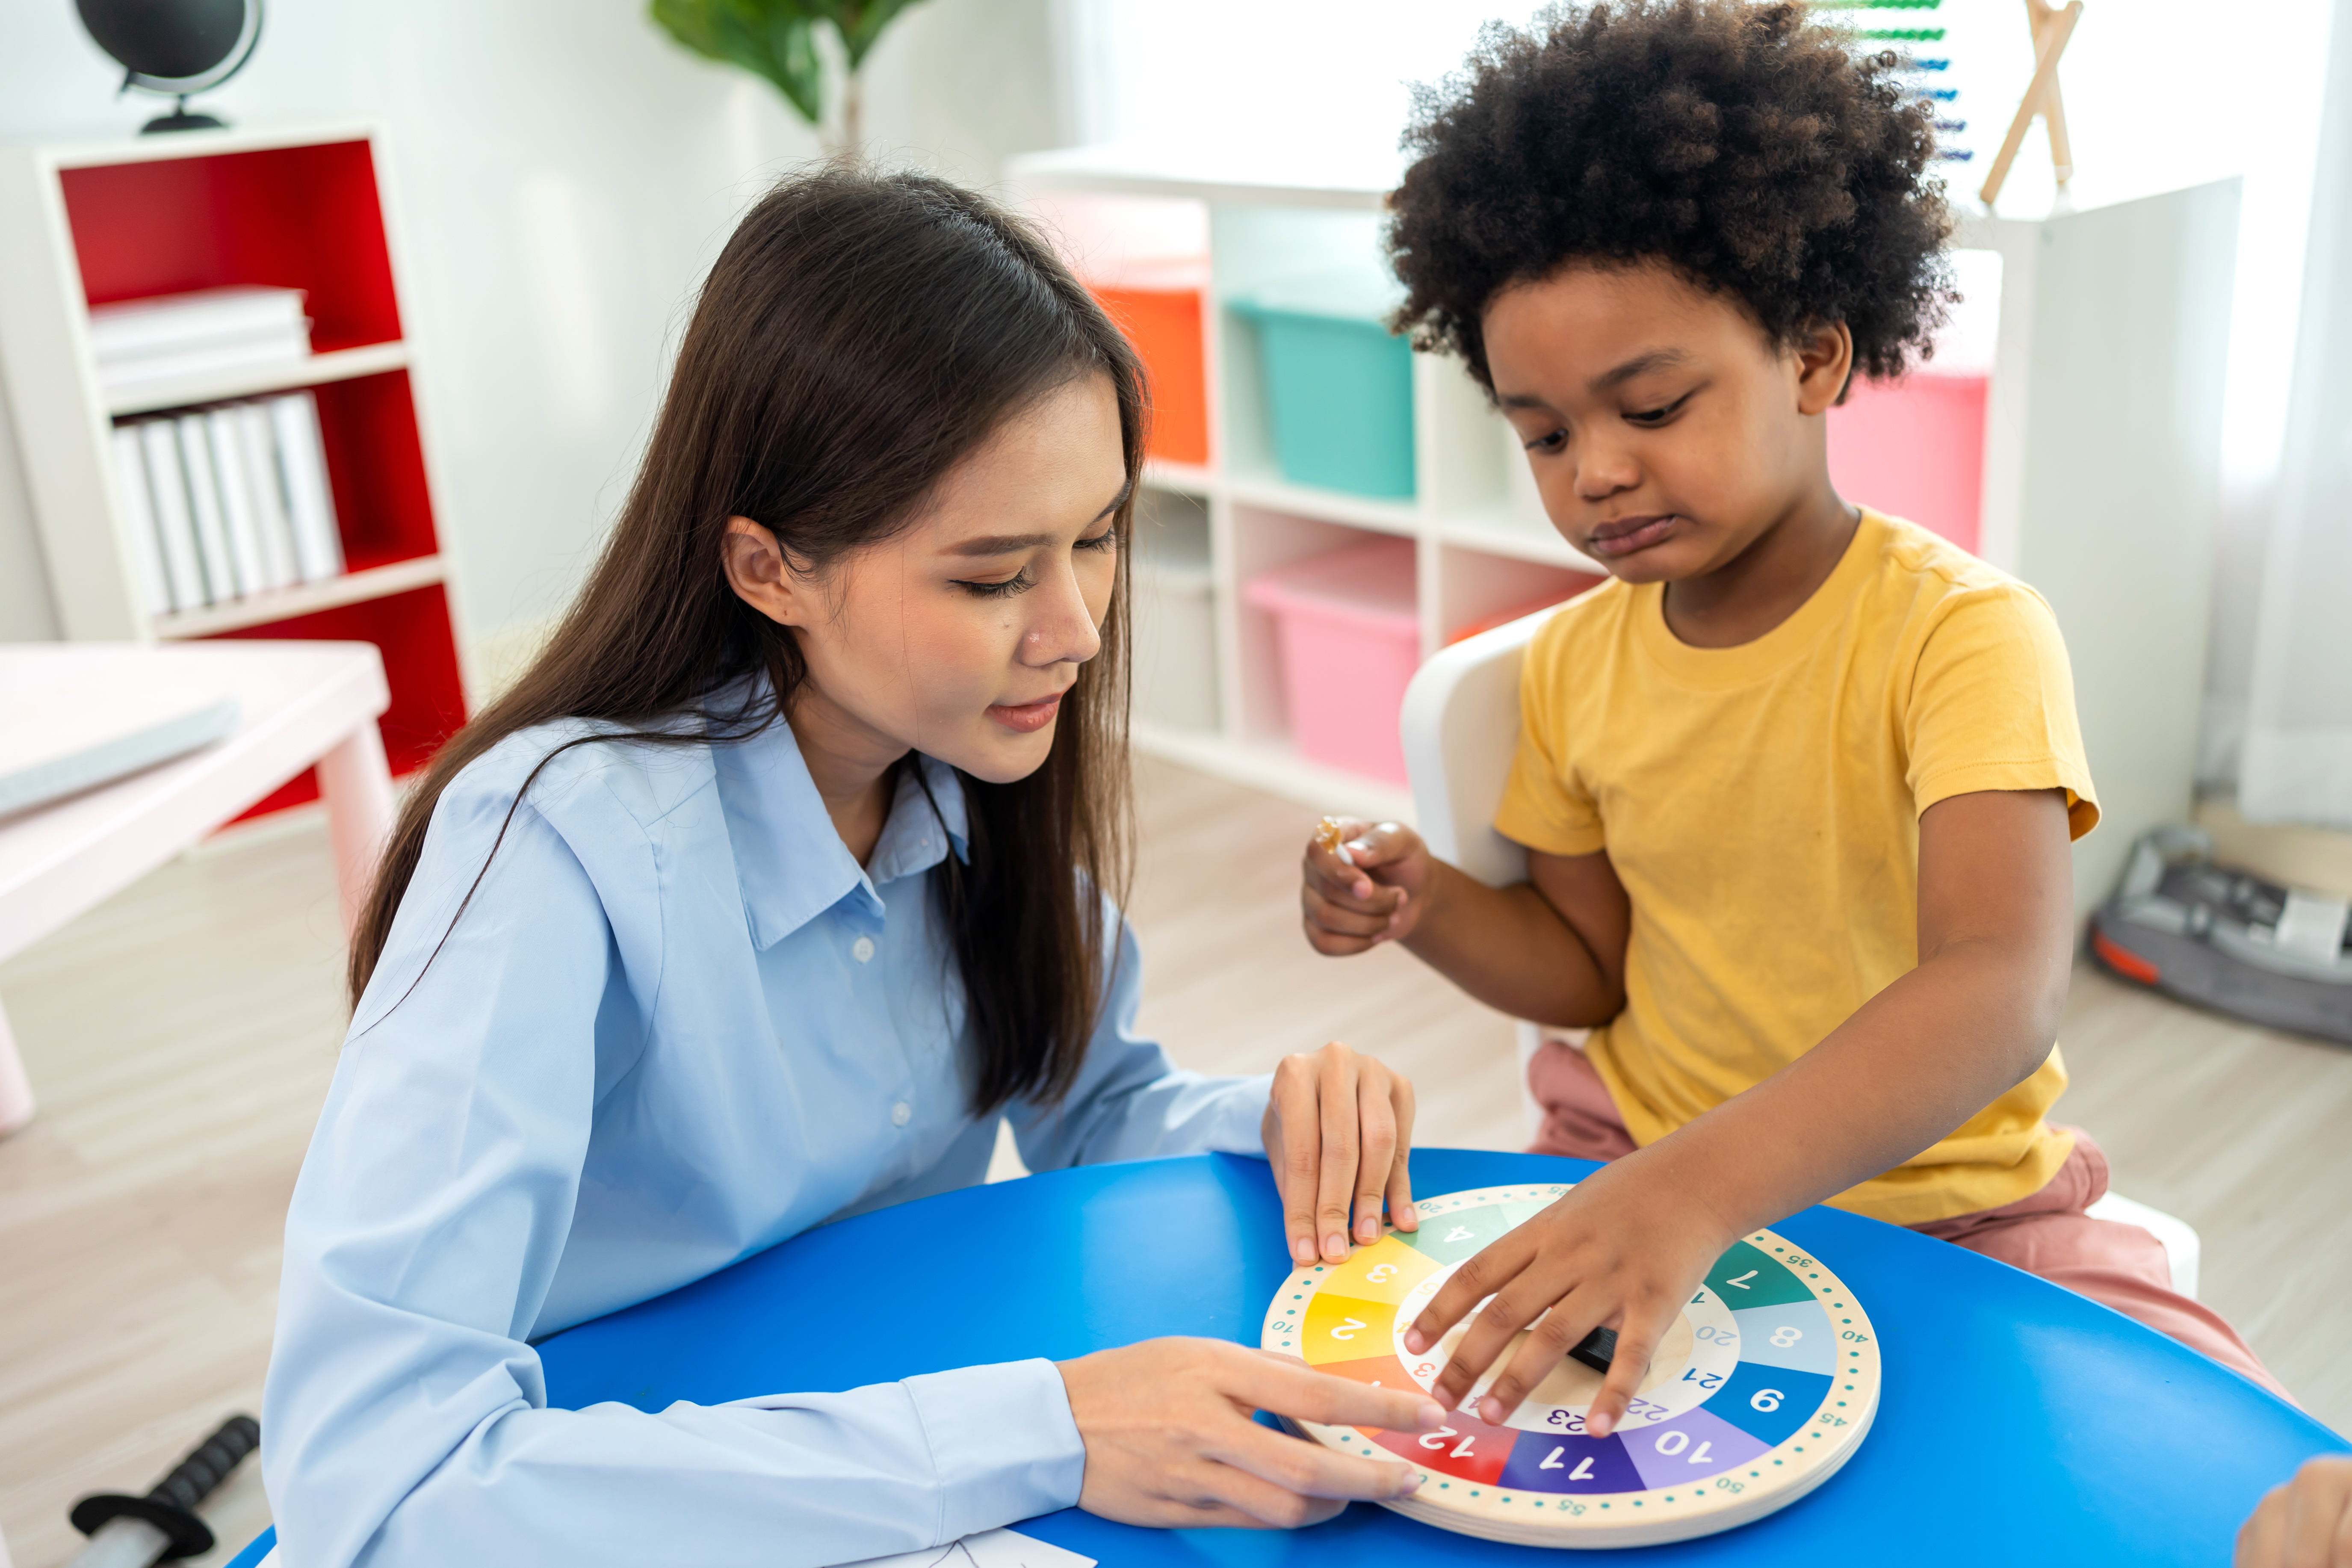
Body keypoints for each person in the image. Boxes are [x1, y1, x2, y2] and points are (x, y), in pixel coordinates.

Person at [263, 168, 1445, 1568]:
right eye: (992, 574)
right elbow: (382, 1481)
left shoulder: (956, 774)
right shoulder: (550, 844)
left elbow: (1096, 1107)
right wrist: (1050, 1428)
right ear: (770, 568)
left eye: (1099, 537)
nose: (1072, 628)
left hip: (875, 1434)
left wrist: (1280, 1121)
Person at [1298, 0, 2287, 1439]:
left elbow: (1996, 986)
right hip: (1624, 1168)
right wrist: (1424, 898)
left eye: (1651, 404)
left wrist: (1698, 1185)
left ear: (1815, 357)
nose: (1595, 475)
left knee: (2229, 1460)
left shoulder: (1960, 635)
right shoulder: (1574, 666)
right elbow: (1587, 975)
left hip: (1947, 1213)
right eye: (1547, 434)